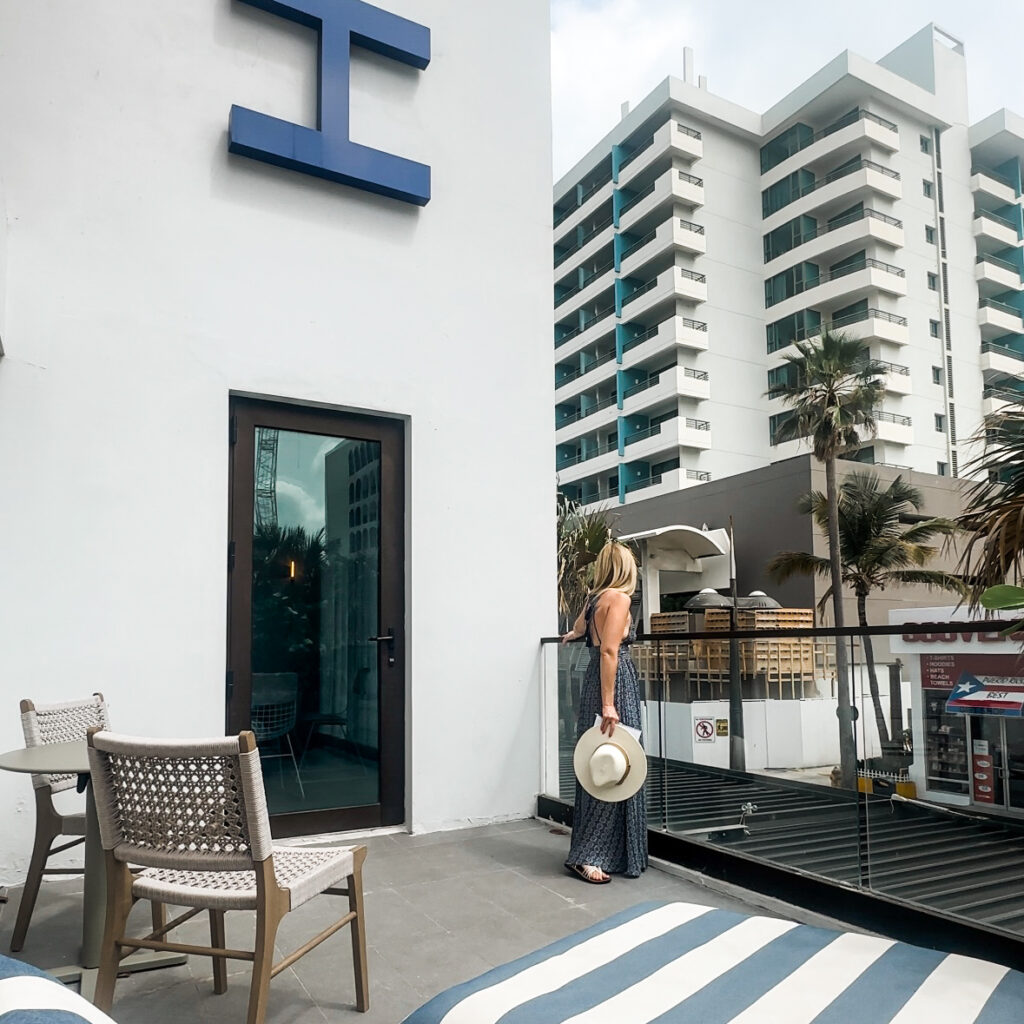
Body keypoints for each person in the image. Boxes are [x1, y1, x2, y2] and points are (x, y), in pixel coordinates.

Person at [560, 540, 647, 883]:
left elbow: (582, 630)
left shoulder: (595, 599)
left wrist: (570, 635)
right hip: (614, 682)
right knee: (619, 760)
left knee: (598, 760)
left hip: (594, 680)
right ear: (627, 569)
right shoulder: (620, 599)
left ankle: (602, 852)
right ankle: (589, 855)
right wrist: (610, 703)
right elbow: (611, 651)